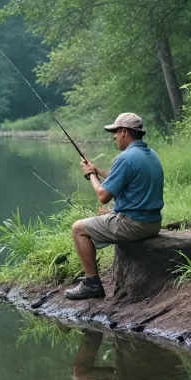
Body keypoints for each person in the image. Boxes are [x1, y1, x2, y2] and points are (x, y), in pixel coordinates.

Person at [65, 112, 164, 300]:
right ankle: (92, 282)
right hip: (153, 223)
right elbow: (121, 176)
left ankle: (92, 283)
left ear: (125, 132)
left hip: (134, 225)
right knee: (99, 218)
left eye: (116, 132)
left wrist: (90, 176)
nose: (114, 136)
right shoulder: (150, 155)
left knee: (78, 228)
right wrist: (97, 169)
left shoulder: (125, 158)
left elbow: (103, 196)